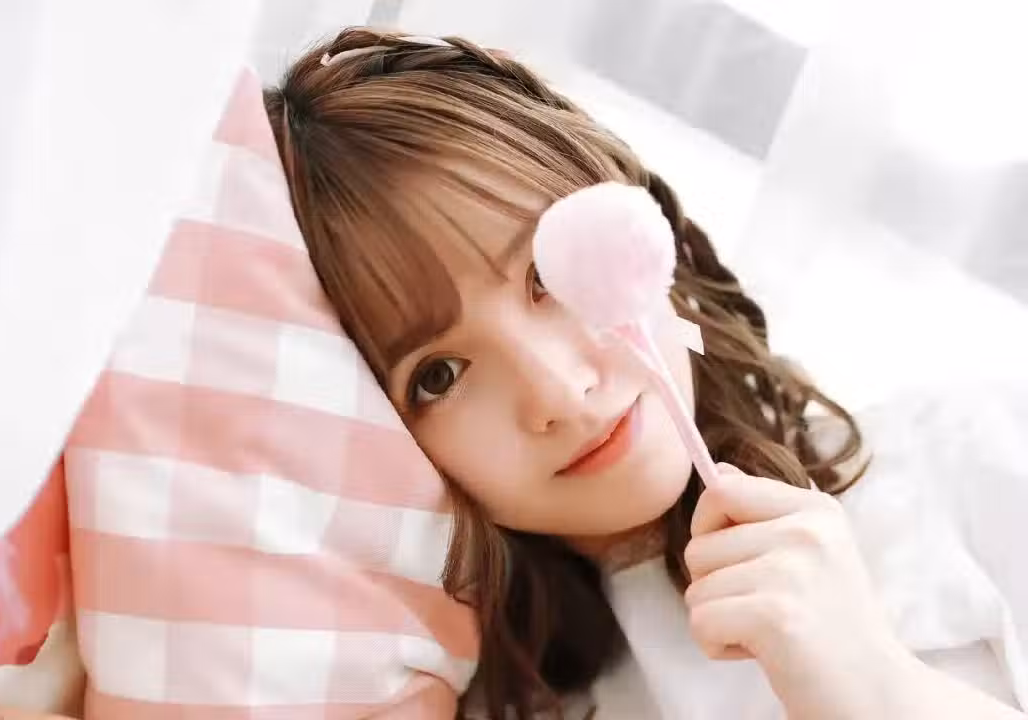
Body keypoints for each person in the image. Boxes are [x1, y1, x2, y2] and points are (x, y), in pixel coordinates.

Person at [263, 26, 1028, 720]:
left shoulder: (976, 463)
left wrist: (875, 684)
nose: (559, 391)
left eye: (544, 273)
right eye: (438, 376)